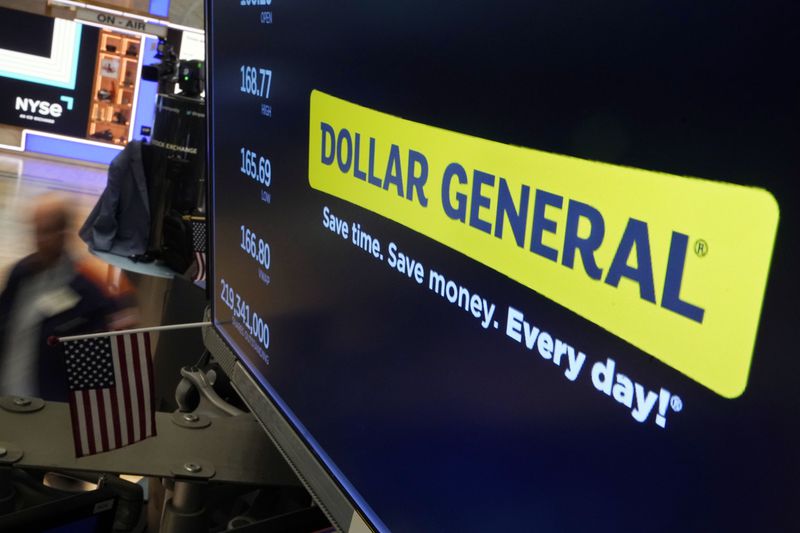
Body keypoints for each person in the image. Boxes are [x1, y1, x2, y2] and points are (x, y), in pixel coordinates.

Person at [0, 193, 136, 402]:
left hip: (47, 409)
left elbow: (97, 374)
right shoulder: (21, 274)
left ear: (64, 232)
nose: (39, 240)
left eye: (46, 231)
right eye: (36, 230)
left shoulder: (90, 292)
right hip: (6, 399)